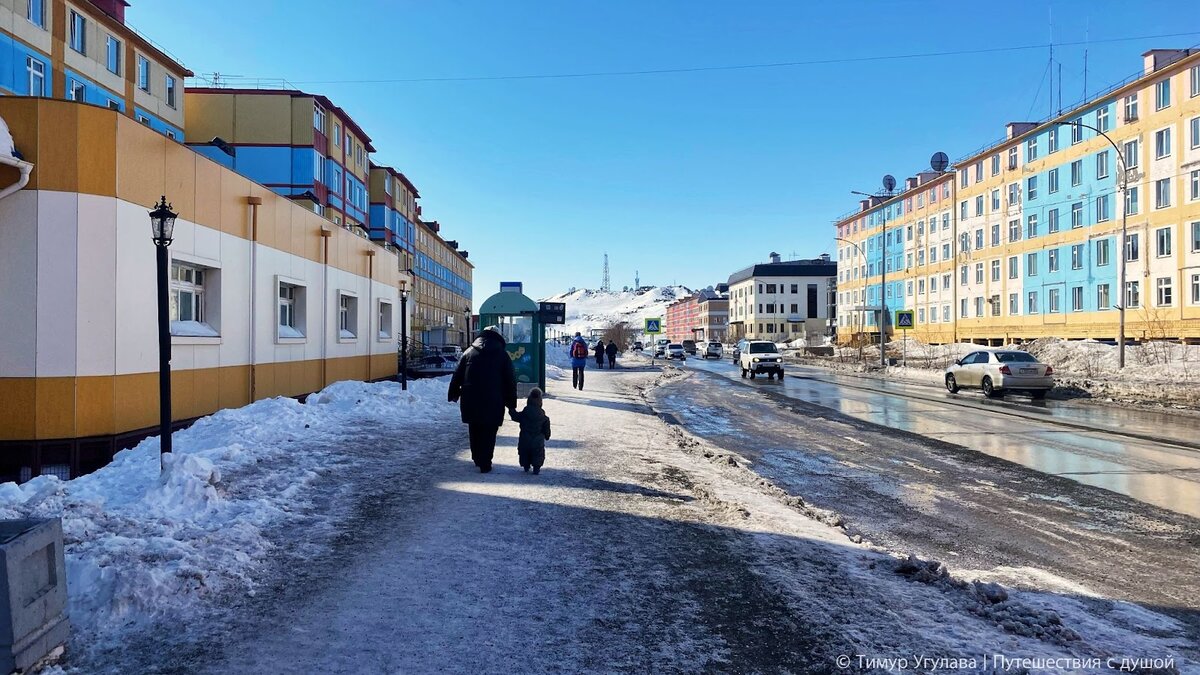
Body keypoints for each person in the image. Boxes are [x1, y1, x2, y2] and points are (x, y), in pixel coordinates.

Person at [447, 326, 517, 473]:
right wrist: (511, 403)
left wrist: (453, 393)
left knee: (475, 428)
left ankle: (477, 457)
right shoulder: (503, 355)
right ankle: (486, 461)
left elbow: (457, 374)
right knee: (490, 431)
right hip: (494, 400)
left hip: (470, 399)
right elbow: (510, 380)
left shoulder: (468, 352)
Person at [509, 388, 551, 474]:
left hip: (525, 438)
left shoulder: (524, 413)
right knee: (538, 453)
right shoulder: (543, 417)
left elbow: (515, 416)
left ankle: (526, 465)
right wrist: (547, 436)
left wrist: (511, 409)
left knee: (524, 452)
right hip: (538, 440)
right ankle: (536, 467)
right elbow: (546, 429)